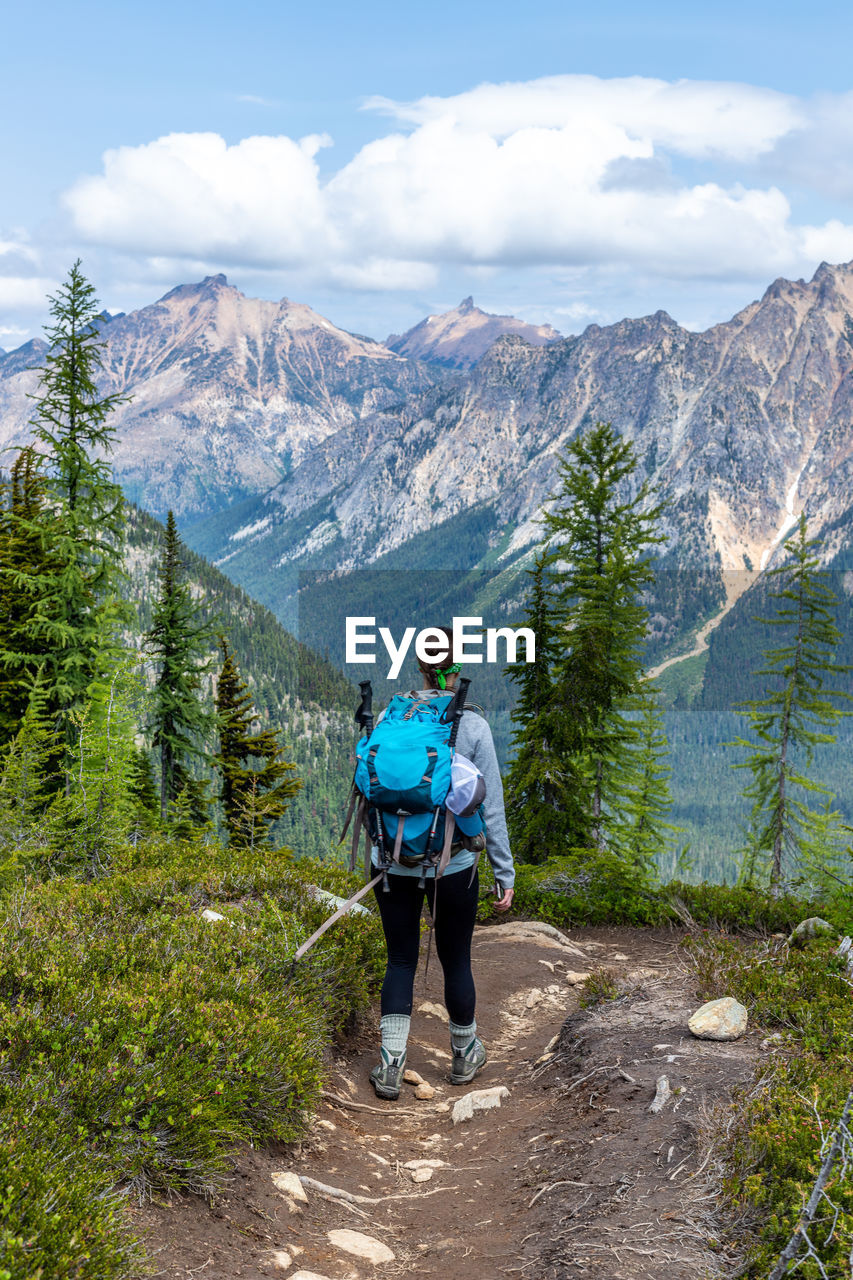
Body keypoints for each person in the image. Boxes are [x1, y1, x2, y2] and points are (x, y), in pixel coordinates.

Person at [368, 627, 515, 1101]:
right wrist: (503, 872)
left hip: (390, 864)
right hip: (452, 867)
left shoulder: (393, 718)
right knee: (456, 959)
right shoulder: (470, 725)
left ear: (421, 667)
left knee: (400, 959)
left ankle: (391, 1066)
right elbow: (490, 809)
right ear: (456, 666)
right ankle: (464, 1052)